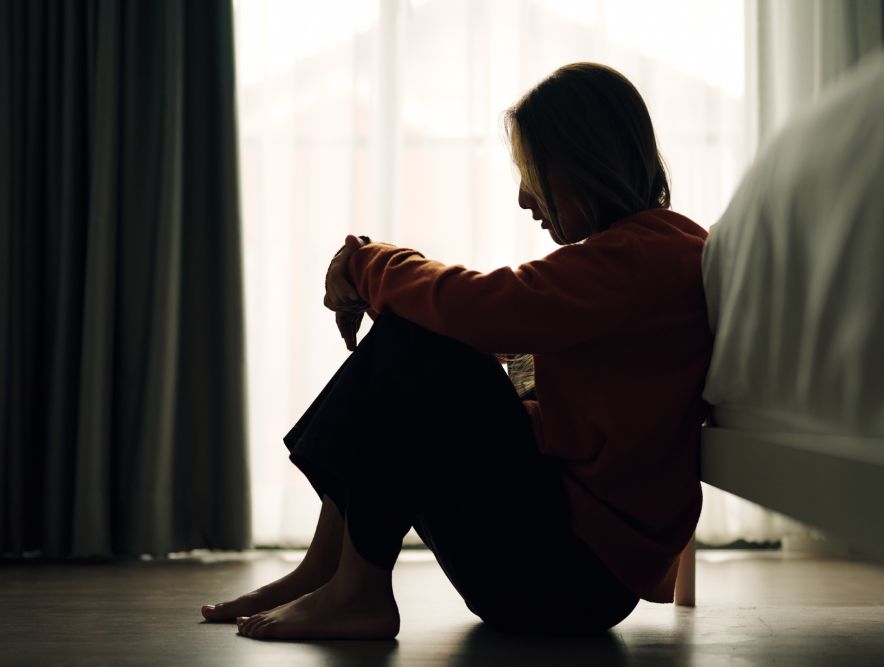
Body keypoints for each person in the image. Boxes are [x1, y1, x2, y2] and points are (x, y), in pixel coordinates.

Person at [201, 62, 712, 640]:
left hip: (571, 579)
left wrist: (365, 262)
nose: (524, 198)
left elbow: (484, 308)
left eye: (532, 173)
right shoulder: (641, 253)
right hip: (565, 562)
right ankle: (329, 572)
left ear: (581, 162)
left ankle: (356, 591)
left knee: (420, 338)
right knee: (421, 336)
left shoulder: (647, 257)